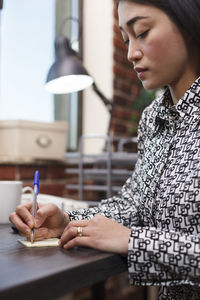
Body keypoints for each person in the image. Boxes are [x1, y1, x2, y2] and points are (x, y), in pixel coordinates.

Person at [10, 0, 200, 299]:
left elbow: (133, 231)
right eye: (126, 39)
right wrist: (67, 220)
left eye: (143, 32)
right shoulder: (154, 118)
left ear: (190, 23)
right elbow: (133, 205)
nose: (131, 53)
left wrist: (134, 241)